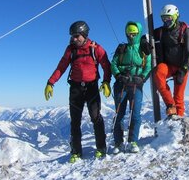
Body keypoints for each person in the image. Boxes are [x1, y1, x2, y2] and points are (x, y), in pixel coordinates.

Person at [44, 20, 112, 163]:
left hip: (92, 87)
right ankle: (76, 151)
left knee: (95, 117)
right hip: (75, 88)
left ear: (84, 34)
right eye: (72, 36)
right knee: (75, 121)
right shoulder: (71, 49)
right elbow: (61, 66)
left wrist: (106, 82)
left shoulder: (95, 48)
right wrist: (51, 82)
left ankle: (101, 147)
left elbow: (107, 65)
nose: (74, 39)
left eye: (76, 36)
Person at [110, 21, 151, 154]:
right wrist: (118, 75)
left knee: (135, 114)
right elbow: (113, 64)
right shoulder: (122, 48)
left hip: (136, 85)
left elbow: (149, 65)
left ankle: (133, 141)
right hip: (122, 84)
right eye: (129, 34)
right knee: (119, 114)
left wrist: (142, 78)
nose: (131, 36)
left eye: (134, 34)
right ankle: (118, 142)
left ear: (138, 33)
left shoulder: (144, 48)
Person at [153, 4, 189, 117]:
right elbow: (148, 35)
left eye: (169, 18)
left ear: (175, 16)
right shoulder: (160, 31)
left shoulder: (186, 32)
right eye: (164, 18)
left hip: (182, 67)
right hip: (168, 66)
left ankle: (179, 120)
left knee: (178, 96)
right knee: (158, 73)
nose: (166, 21)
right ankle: (170, 105)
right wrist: (143, 40)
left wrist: (183, 70)